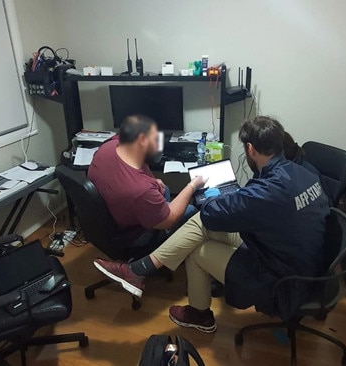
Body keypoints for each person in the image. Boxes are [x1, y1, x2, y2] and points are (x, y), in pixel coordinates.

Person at [93, 116, 330, 333]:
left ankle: (197, 312)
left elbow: (212, 214)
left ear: (250, 149)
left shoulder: (267, 192)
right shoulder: (304, 173)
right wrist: (237, 201)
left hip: (284, 279)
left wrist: (211, 196)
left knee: (197, 247)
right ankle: (138, 271)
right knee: (202, 226)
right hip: (306, 262)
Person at [88, 115, 206, 249]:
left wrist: (152, 182)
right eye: (155, 139)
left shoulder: (107, 147)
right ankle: (162, 245)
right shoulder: (140, 189)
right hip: (134, 235)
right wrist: (192, 186)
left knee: (164, 188)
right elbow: (170, 219)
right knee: (191, 210)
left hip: (114, 214)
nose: (158, 145)